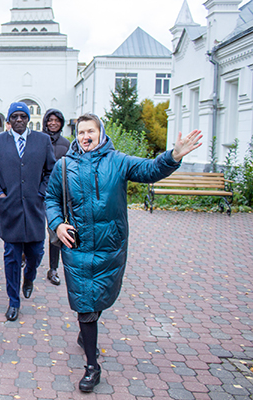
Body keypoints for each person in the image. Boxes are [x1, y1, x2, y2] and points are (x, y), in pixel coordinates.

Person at [45, 113, 202, 392]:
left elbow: (150, 170)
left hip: (110, 246)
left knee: (98, 300)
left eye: (90, 131)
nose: (85, 137)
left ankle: (86, 334)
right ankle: (92, 366)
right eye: (81, 132)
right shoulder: (64, 165)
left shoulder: (118, 161)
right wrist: (56, 224)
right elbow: (51, 198)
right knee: (85, 305)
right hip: (77, 246)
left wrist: (174, 156)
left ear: (101, 133)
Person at [0, 102, 55, 322]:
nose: (19, 120)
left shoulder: (42, 141)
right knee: (11, 257)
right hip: (9, 210)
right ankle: (13, 301)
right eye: (15, 117)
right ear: (9, 120)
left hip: (34, 209)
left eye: (23, 116)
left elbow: (51, 171)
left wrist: (41, 192)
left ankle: (29, 278)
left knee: (36, 253)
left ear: (28, 119)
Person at [42, 109, 71, 286]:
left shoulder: (66, 143)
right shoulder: (38, 140)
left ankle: (53, 269)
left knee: (55, 231)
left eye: (57, 120)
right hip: (39, 191)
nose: (53, 123)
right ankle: (24, 254)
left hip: (58, 193)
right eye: (50, 120)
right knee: (32, 227)